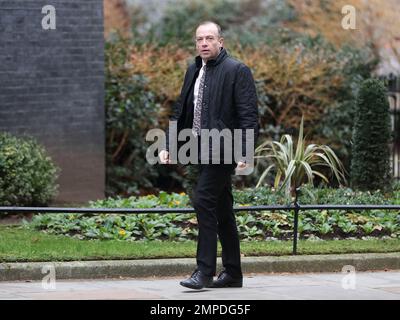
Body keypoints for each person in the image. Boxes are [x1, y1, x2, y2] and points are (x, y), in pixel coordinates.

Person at [159, 21, 259, 289]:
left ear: (220, 41)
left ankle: (203, 272)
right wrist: (169, 144)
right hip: (199, 150)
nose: (204, 43)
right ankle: (233, 273)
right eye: (199, 39)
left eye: (209, 38)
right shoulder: (194, 69)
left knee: (203, 200)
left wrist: (246, 152)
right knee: (223, 209)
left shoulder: (236, 70)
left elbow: (249, 115)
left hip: (223, 149)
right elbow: (180, 111)